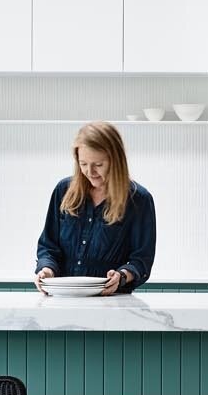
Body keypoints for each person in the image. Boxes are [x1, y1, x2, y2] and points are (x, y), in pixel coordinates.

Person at [34, 121, 156, 295]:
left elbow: (141, 260)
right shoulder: (63, 191)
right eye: (83, 164)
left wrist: (121, 276)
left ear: (116, 160)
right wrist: (46, 269)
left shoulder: (139, 200)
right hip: (64, 299)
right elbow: (48, 246)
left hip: (112, 304)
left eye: (98, 165)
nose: (90, 171)